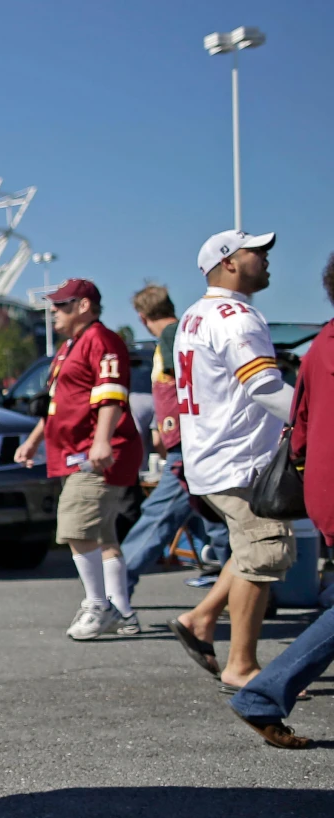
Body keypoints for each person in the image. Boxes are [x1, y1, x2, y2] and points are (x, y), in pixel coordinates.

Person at [167, 231, 296, 693]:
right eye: (255, 252)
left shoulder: (194, 315)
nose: (264, 258)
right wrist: (314, 418)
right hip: (241, 461)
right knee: (265, 555)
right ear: (228, 263)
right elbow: (262, 387)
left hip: (209, 454)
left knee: (248, 550)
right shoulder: (237, 317)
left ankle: (201, 620)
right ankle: (242, 667)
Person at [227, 251, 334, 748]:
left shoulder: (319, 346)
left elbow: (302, 428)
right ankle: (263, 694)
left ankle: (264, 696)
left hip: (323, 489)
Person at [14, 279, 144, 639]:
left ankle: (99, 606)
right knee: (102, 534)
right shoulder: (70, 346)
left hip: (94, 453)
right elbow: (57, 403)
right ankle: (123, 610)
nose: (54, 311)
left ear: (84, 305)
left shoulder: (101, 340)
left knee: (75, 526)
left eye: (62, 304)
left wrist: (102, 440)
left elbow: (112, 395)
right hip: (75, 452)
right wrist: (33, 440)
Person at [119, 284, 231, 597]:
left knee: (158, 516)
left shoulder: (171, 337)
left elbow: (184, 382)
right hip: (199, 443)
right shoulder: (184, 332)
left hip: (187, 447)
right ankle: (251, 591)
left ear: (142, 318)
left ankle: (114, 592)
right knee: (216, 522)